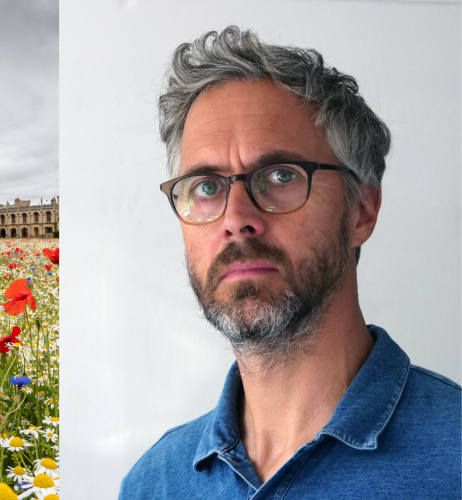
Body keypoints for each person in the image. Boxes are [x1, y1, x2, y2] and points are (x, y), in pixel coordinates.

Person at [119, 26, 461, 499]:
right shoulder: (152, 484)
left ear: (361, 209)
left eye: (280, 175)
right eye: (206, 186)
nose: (237, 219)